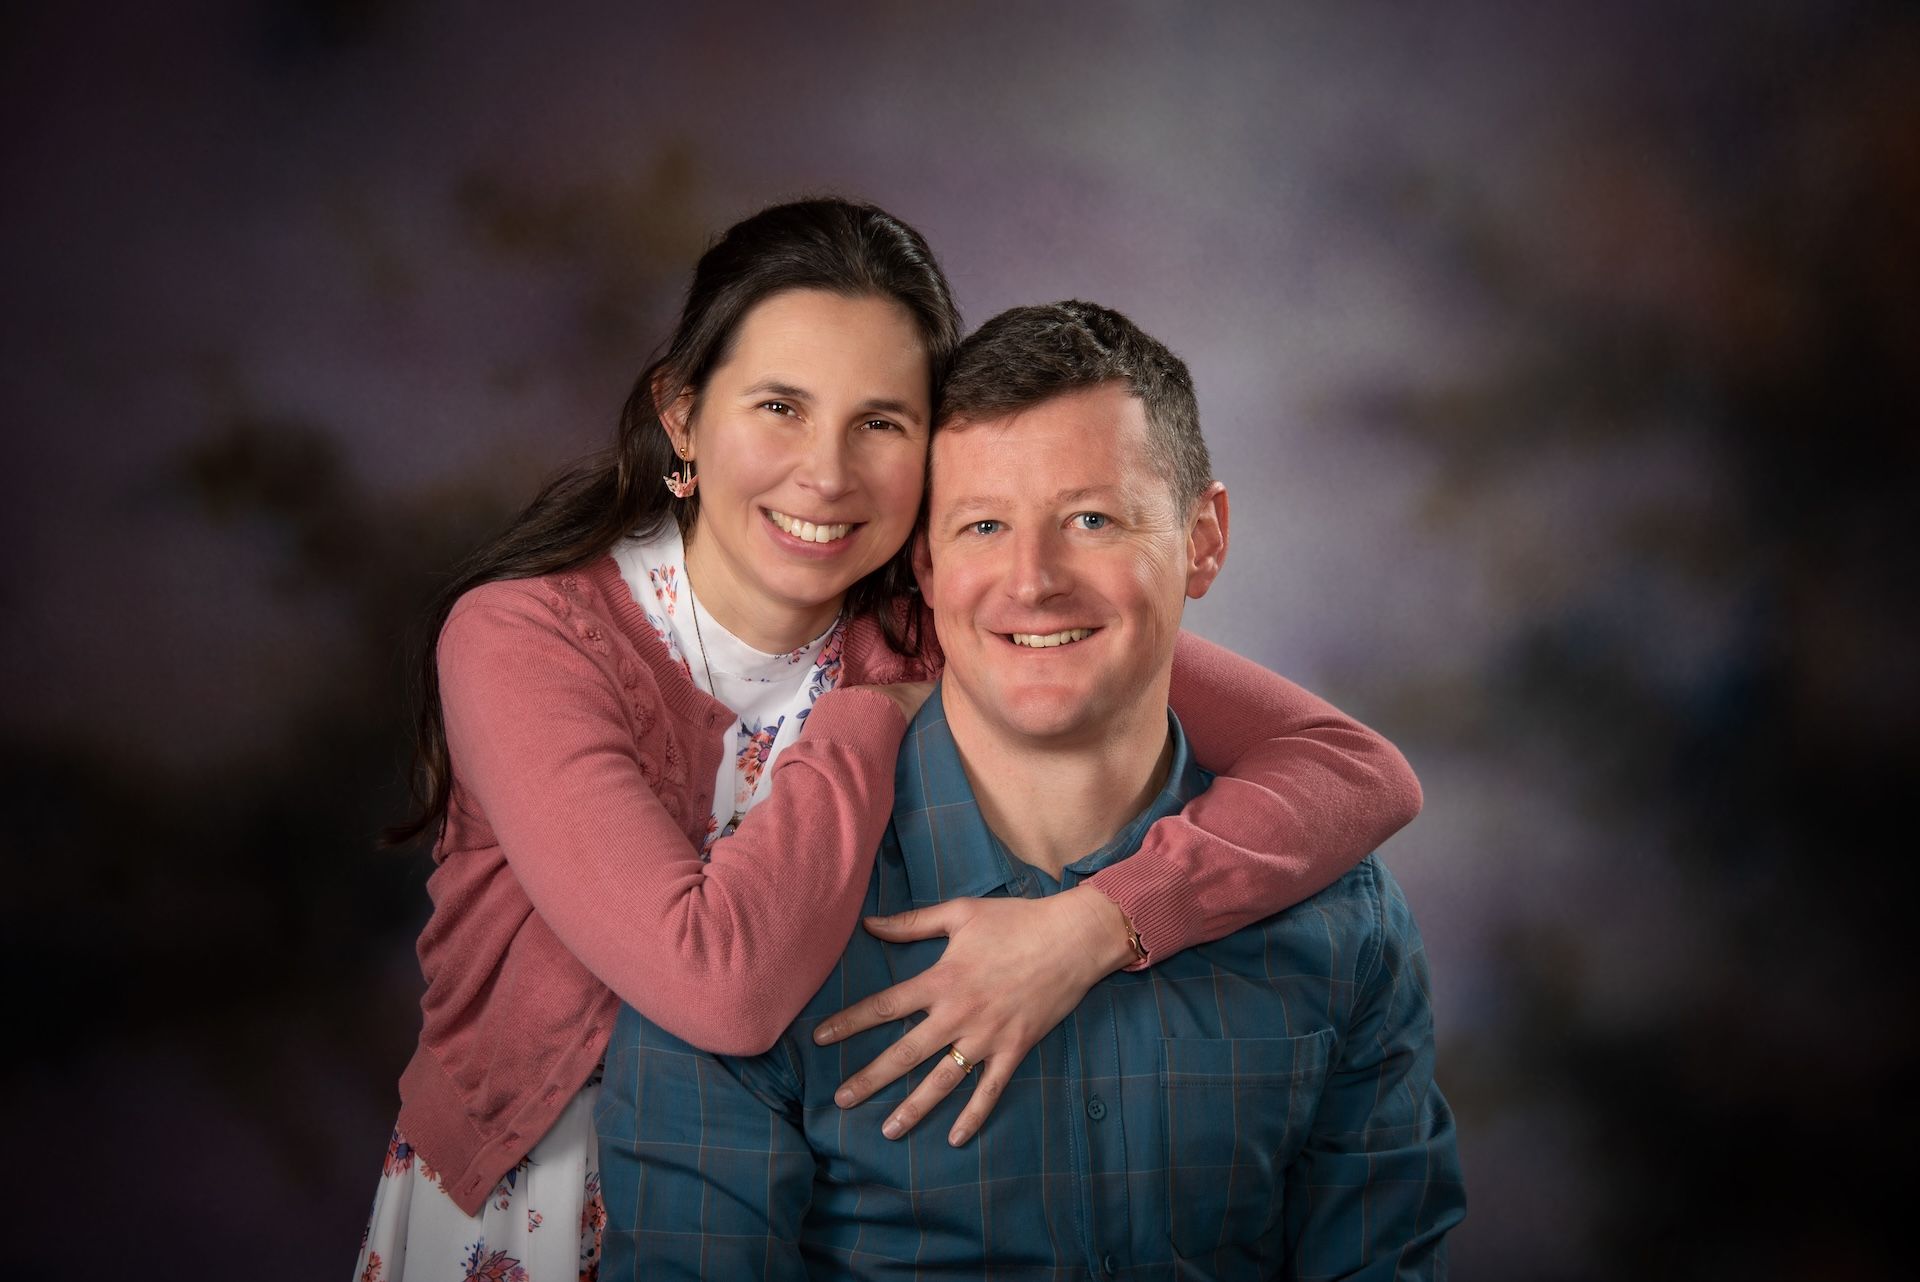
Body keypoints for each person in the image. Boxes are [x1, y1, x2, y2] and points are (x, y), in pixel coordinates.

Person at [355, 202, 1424, 1281]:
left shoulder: (958, 617)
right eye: (780, 406)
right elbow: (716, 985)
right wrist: (869, 713)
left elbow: (1354, 771)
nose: (826, 473)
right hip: (529, 1195)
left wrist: (1096, 925)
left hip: (802, 1195)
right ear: (681, 414)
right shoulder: (526, 639)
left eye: (880, 422)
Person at [596, 300, 1465, 1278]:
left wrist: (1107, 919)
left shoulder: (1343, 921)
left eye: (1091, 520)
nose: (1033, 579)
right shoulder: (759, 933)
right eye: (983, 525)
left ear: (1203, 539)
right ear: (927, 566)